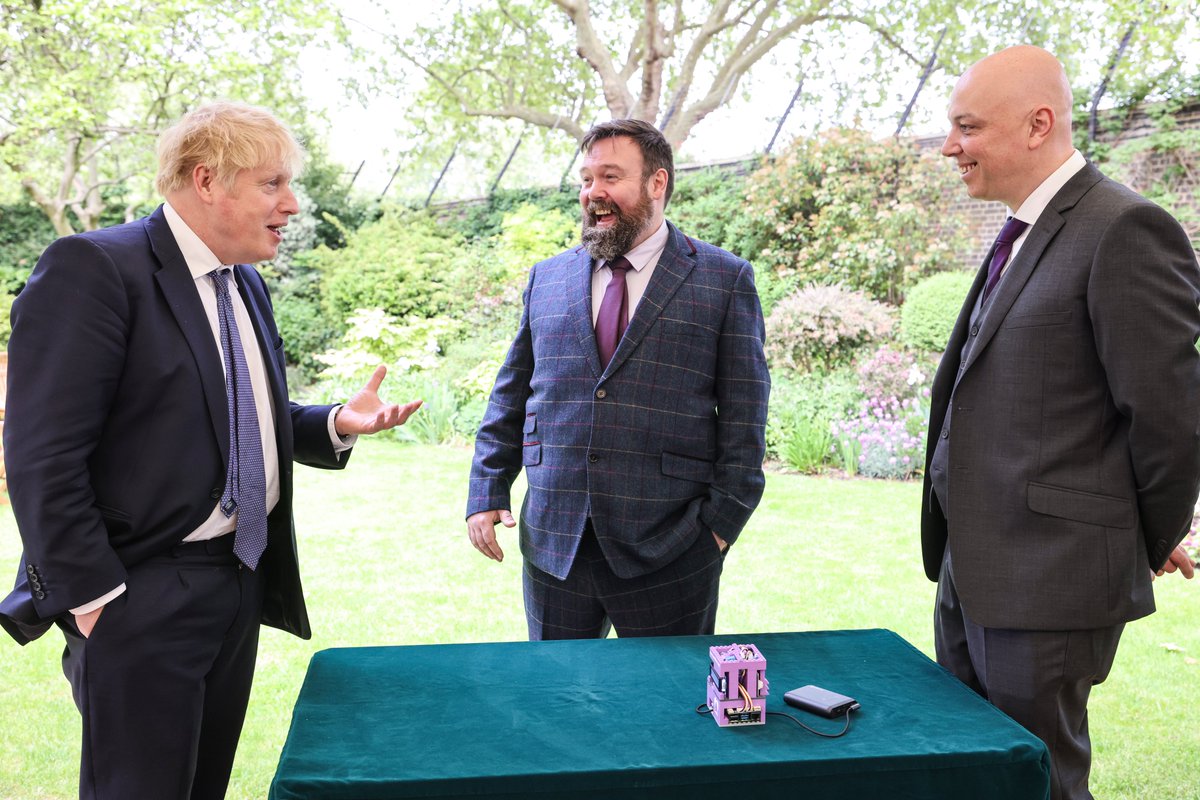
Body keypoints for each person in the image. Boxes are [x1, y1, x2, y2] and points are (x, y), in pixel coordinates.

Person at [0, 102, 422, 800]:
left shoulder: (242, 279)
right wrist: (97, 600)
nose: (290, 205)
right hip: (139, 598)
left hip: (236, 583)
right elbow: (41, 456)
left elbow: (242, 417)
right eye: (273, 184)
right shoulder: (95, 269)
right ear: (206, 181)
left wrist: (337, 423)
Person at [923, 46, 1200, 800]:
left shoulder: (1125, 230)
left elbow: (1170, 422)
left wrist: (1137, 540)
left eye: (967, 127)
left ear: (1038, 124)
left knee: (1037, 783)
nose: (950, 146)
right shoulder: (1021, 230)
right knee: (974, 776)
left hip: (1050, 586)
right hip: (971, 574)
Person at [466, 119, 769, 640]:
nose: (593, 194)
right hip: (555, 543)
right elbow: (512, 394)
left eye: (610, 177)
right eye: (586, 180)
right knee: (557, 704)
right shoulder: (548, 278)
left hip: (671, 547)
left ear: (657, 183)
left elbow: (746, 416)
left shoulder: (724, 279)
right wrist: (487, 487)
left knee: (667, 709)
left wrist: (718, 528)